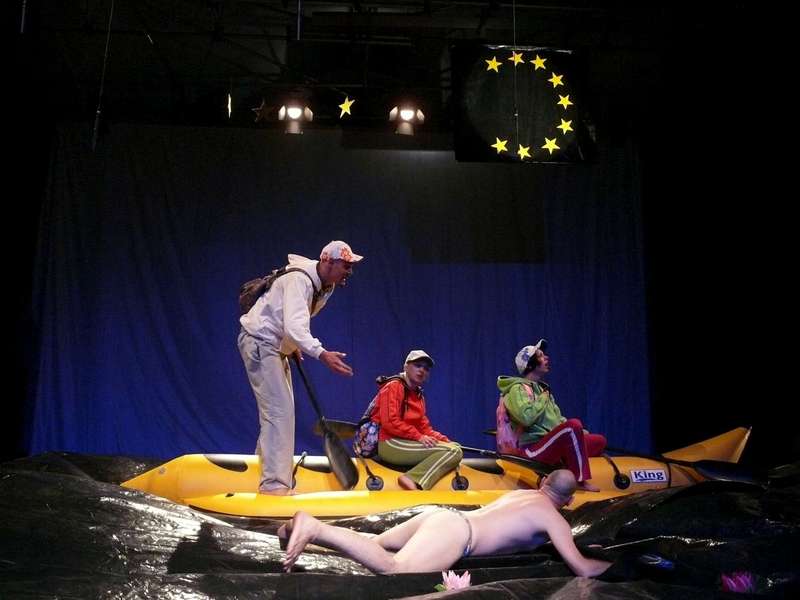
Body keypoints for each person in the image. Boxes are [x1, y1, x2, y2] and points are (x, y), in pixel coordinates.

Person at [279, 468, 612, 577]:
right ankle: (314, 527)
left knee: (373, 545)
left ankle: (295, 530)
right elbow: (582, 568)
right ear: (569, 500)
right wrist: (614, 564)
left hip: (443, 516)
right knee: (394, 568)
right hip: (457, 534)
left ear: (544, 482)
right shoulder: (555, 519)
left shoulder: (520, 495)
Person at [238, 240, 363, 495]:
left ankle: (266, 473)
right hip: (261, 342)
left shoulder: (326, 287)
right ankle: (274, 484)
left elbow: (293, 320)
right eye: (346, 265)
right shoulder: (301, 280)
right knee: (279, 413)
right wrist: (321, 353)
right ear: (328, 261)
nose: (349, 271)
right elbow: (295, 326)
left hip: (275, 345)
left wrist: (292, 344)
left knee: (281, 412)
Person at [496, 339, 606, 491]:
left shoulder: (543, 390)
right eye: (541, 356)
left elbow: (558, 420)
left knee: (598, 441)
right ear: (530, 364)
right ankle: (579, 480)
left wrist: (579, 433)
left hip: (549, 444)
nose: (546, 358)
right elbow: (526, 418)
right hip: (532, 449)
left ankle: (562, 465)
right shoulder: (517, 389)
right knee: (573, 426)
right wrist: (543, 398)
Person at [370, 350, 462, 490]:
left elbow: (424, 427)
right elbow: (390, 422)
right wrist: (418, 436)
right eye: (417, 365)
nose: (422, 370)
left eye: (426, 368)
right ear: (406, 366)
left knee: (454, 448)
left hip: (406, 441)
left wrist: (446, 441)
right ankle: (411, 478)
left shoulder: (418, 394)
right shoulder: (394, 386)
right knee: (453, 452)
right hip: (390, 443)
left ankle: (416, 479)